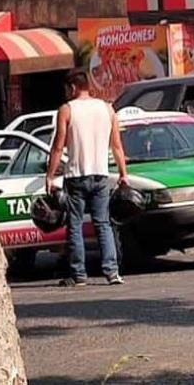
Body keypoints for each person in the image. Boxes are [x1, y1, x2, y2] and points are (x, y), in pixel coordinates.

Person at [46, 69, 128, 287]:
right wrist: (123, 174)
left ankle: (78, 274)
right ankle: (112, 272)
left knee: (74, 225)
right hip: (101, 174)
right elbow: (117, 145)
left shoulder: (66, 110)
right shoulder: (107, 109)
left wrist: (50, 175)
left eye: (67, 88)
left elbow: (58, 146)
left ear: (73, 87)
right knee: (103, 223)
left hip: (76, 176)